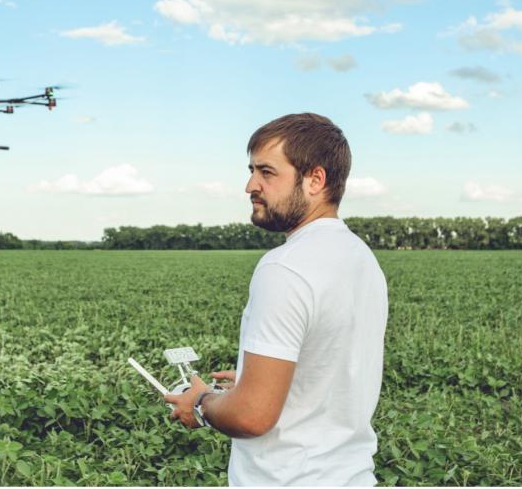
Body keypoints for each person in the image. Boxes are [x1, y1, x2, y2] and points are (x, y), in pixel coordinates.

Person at [165, 113, 389, 486]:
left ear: (315, 179)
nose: (251, 185)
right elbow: (327, 370)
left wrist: (202, 402)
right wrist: (257, 383)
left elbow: (251, 417)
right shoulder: (360, 257)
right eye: (252, 170)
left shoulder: (285, 268)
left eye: (267, 172)